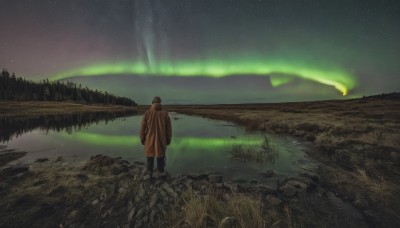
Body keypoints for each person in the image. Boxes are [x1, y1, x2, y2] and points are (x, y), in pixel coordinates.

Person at [140, 96, 172, 179]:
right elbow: (169, 129)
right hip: (162, 140)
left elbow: (142, 128)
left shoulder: (147, 113)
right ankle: (161, 173)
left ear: (152, 103)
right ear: (160, 103)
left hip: (149, 139)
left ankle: (149, 173)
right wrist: (168, 139)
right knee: (160, 156)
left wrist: (142, 138)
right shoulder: (165, 113)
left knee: (150, 156)